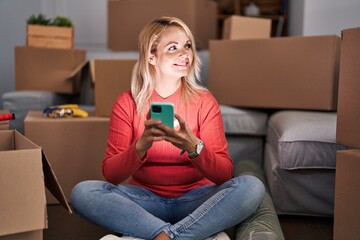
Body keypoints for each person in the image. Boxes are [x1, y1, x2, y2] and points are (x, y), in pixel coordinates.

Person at [70, 16, 265, 240]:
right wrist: (140, 146)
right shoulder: (127, 102)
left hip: (196, 200)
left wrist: (194, 147)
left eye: (188, 46)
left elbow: (224, 174)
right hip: (144, 202)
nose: (185, 54)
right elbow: (111, 175)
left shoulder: (204, 101)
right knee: (83, 193)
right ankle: (184, 234)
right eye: (173, 48)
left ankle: (161, 236)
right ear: (151, 56)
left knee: (251, 187)